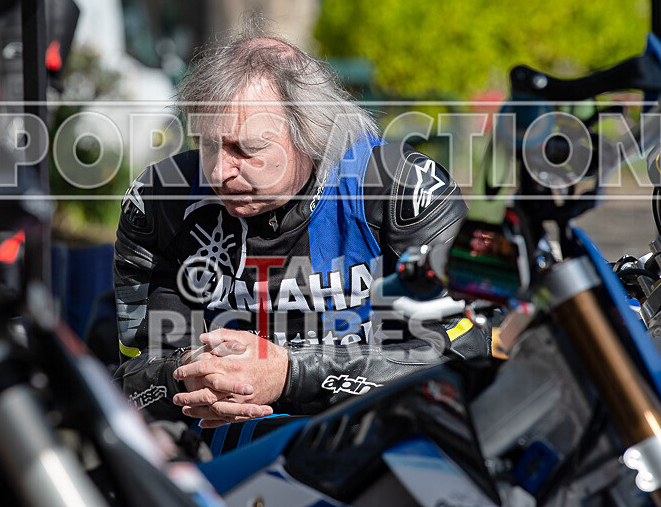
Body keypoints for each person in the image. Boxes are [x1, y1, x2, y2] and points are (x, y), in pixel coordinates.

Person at [114, 28, 477, 428]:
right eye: (207, 144)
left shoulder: (404, 189)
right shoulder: (159, 201)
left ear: (311, 133)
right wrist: (186, 375)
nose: (218, 171)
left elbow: (466, 350)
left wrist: (291, 374)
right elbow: (128, 382)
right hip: (224, 447)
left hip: (374, 437)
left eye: (245, 149)